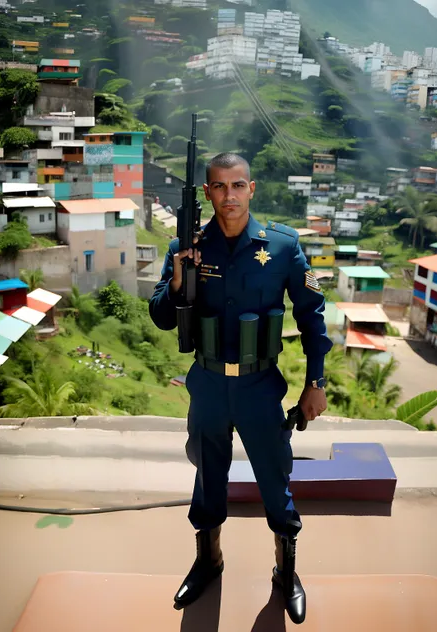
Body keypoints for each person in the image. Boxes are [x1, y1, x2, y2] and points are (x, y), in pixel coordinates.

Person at [149, 153, 333, 624]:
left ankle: (285, 572)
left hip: (259, 386)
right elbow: (161, 316)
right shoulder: (185, 245)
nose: (228, 196)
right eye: (218, 187)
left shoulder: (284, 247)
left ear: (251, 189)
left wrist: (316, 382)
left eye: (236, 186)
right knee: (208, 475)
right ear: (207, 193)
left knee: (275, 479)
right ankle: (208, 561)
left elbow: (313, 316)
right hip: (208, 383)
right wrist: (176, 280)